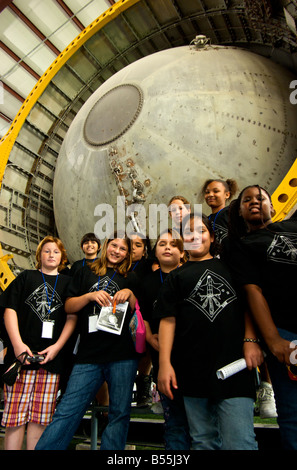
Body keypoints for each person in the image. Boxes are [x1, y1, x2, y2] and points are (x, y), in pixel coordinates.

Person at [156, 213, 262, 450]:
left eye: (201, 231)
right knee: (203, 441)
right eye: (188, 232)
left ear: (212, 236)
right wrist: (164, 363)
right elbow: (168, 321)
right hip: (192, 369)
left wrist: (251, 339)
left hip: (234, 366)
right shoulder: (175, 277)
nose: (195, 236)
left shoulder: (230, 268)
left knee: (240, 441)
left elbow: (248, 305)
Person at [35, 232, 139, 450]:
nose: (117, 251)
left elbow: (137, 311)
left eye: (123, 248)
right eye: (114, 246)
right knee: (67, 410)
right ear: (105, 246)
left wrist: (129, 293)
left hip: (122, 356)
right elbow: (69, 306)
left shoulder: (131, 278)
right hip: (88, 356)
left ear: (128, 254)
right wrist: (90, 296)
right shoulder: (85, 272)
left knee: (119, 413)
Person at [227, 184, 297, 449]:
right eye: (247, 200)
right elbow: (252, 291)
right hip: (288, 333)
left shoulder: (292, 227)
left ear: (273, 205)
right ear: (241, 211)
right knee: (293, 413)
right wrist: (273, 340)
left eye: (261, 198)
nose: (254, 202)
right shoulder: (242, 245)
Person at [0, 236, 77, 450]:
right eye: (47, 251)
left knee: (40, 419)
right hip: (21, 360)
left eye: (56, 251)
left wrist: (57, 347)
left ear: (62, 257)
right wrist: (16, 344)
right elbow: (10, 309)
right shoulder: (27, 277)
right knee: (14, 419)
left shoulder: (68, 283)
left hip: (50, 361)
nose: (51, 255)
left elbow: (72, 318)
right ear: (39, 255)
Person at [139, 229, 191, 449]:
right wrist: (149, 337)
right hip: (162, 357)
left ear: (182, 252)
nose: (167, 247)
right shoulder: (147, 282)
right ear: (155, 253)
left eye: (173, 244)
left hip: (191, 355)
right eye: (162, 244)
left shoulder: (190, 274)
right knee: (174, 420)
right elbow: (141, 313)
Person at [129, 232, 153, 407]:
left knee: (146, 351)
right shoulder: (118, 266)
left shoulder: (149, 265)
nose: (133, 248)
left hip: (144, 313)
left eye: (138, 245)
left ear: (145, 250)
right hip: (122, 315)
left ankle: (143, 382)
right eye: (130, 244)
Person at [201, 178, 238, 249]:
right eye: (207, 192)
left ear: (227, 194)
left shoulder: (232, 212)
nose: (210, 195)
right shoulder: (206, 220)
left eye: (216, 191)